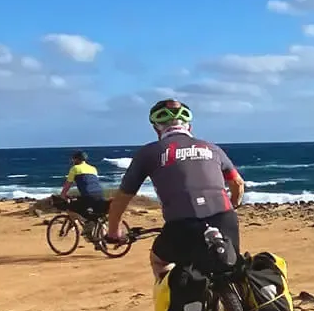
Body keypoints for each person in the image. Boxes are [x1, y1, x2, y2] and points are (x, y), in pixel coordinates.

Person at [105, 100, 245, 281]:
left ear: (156, 129)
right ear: (189, 126)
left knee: (160, 261)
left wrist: (114, 232)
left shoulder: (148, 153)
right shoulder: (212, 148)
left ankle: (171, 302)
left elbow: (122, 199)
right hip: (224, 218)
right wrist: (232, 207)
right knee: (231, 268)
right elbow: (238, 184)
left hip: (181, 225)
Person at [57, 151, 107, 224]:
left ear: (76, 159)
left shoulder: (75, 168)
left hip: (88, 196)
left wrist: (62, 195)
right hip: (100, 195)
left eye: (73, 159)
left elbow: (68, 184)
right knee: (98, 218)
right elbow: (91, 183)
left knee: (70, 209)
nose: (72, 161)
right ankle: (101, 233)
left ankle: (87, 223)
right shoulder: (93, 168)